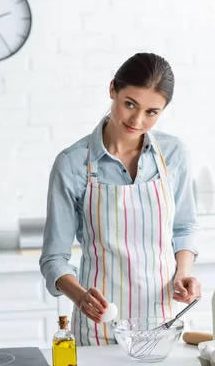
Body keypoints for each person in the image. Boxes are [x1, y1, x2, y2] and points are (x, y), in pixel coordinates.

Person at [40, 53, 202, 346]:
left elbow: (184, 228)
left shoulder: (174, 154)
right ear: (112, 89)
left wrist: (184, 274)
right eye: (130, 104)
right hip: (101, 327)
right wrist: (80, 297)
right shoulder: (72, 163)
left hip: (166, 320)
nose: (137, 120)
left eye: (152, 112)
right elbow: (54, 259)